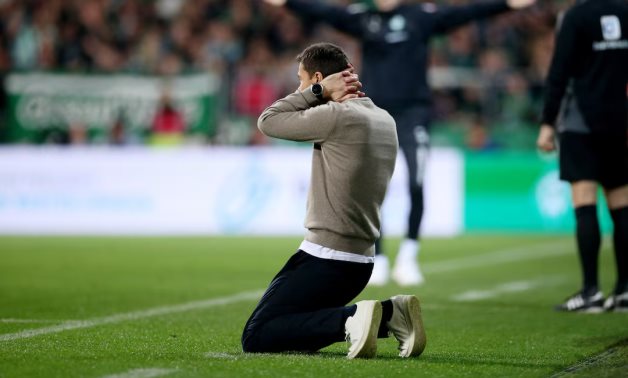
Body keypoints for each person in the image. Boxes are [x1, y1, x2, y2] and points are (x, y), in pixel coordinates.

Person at [264, 0, 537, 286]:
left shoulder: (421, 17)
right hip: (374, 114)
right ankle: (378, 258)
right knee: (370, 187)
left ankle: (409, 254)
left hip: (413, 114)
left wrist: (506, 4)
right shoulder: (363, 18)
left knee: (416, 181)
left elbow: (465, 13)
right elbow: (324, 11)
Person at [241, 42, 426, 358]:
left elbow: (268, 120)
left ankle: (353, 320)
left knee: (258, 335)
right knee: (299, 328)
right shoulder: (384, 119)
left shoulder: (335, 116)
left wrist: (314, 92)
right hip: (361, 261)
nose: (300, 87)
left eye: (302, 80)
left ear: (317, 77)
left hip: (325, 257)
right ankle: (391, 314)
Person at [537, 0, 628, 312]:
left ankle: (591, 291)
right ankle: (625, 290)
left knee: (585, 201)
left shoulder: (575, 17)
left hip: (581, 122)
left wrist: (548, 123)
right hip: (620, 122)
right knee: (622, 206)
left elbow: (559, 72)